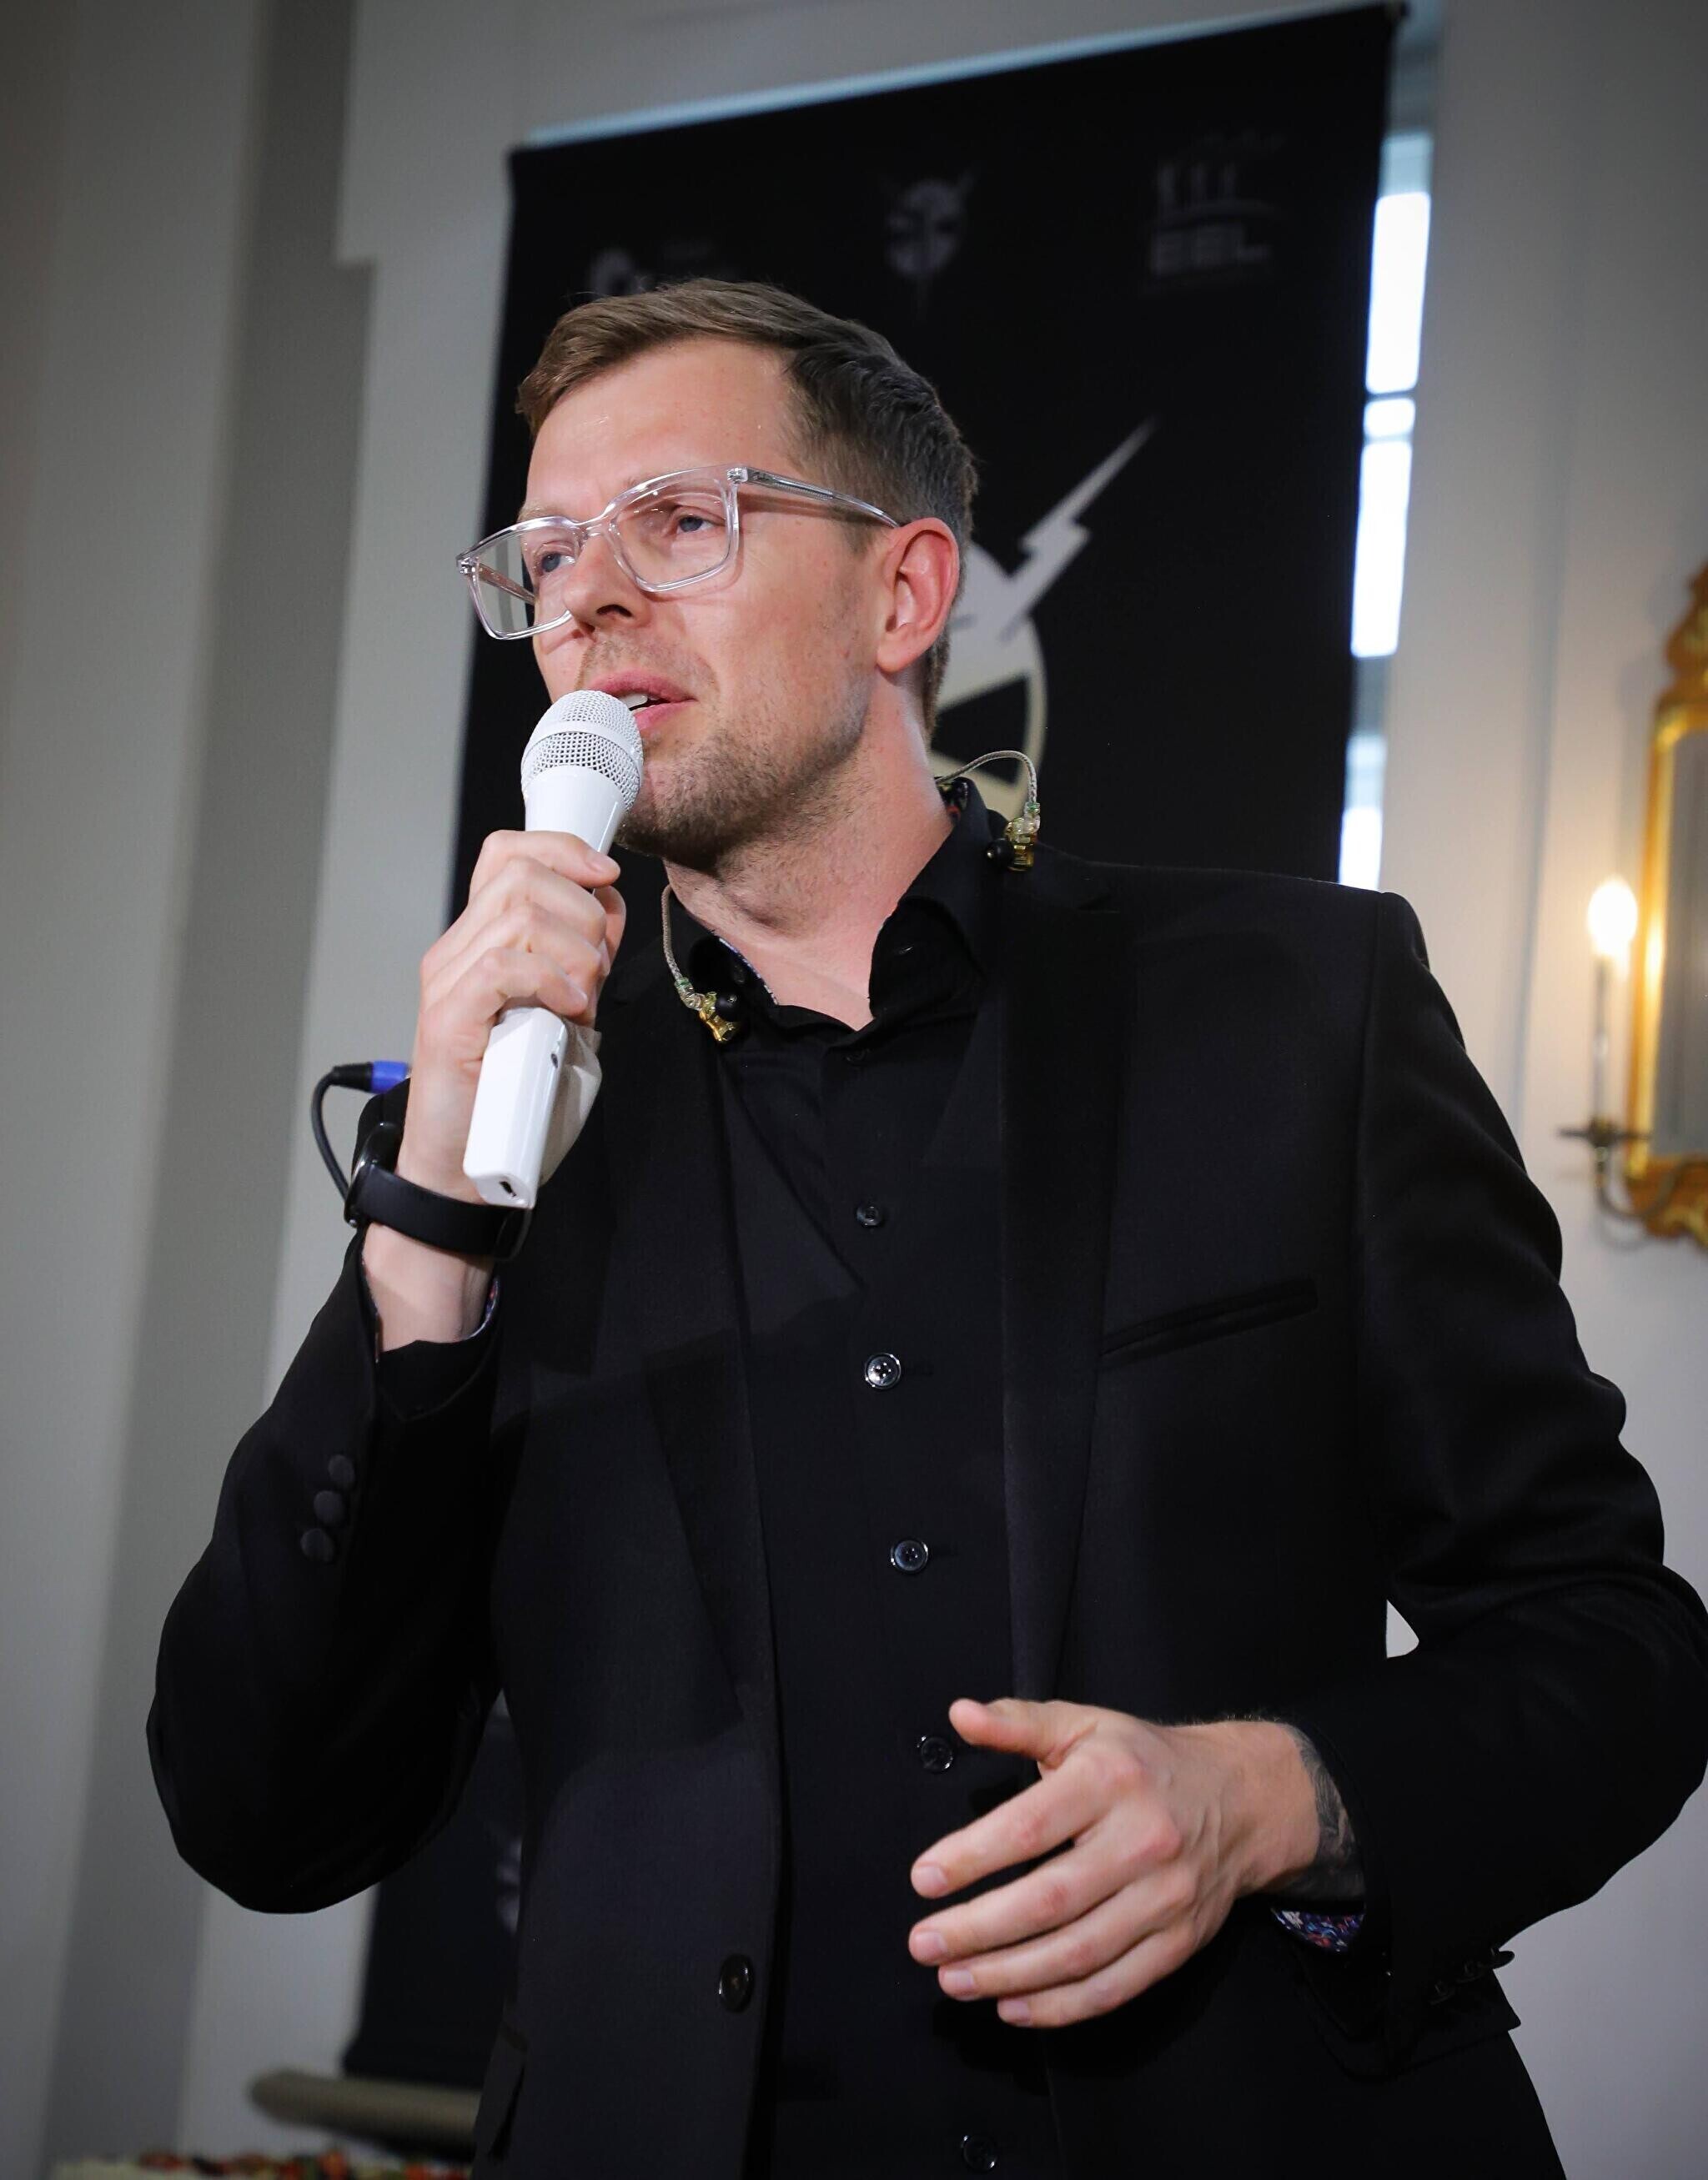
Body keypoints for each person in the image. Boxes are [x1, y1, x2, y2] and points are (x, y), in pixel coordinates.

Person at [149, 281, 1708, 2180]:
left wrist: (1272, 1793)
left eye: (679, 520)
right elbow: (263, 1811)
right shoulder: (504, 1142)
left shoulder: (1300, 1008)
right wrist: (427, 1239)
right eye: (547, 555)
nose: (588, 601)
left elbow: (1609, 1646)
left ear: (903, 595)